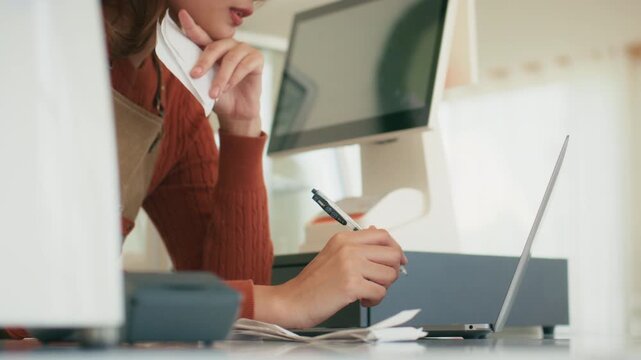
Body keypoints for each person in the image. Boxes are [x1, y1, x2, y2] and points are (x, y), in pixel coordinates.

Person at [2, 0, 407, 339]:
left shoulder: (174, 96)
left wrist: (242, 128)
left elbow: (241, 319)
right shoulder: (33, 26)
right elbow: (28, 288)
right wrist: (285, 301)